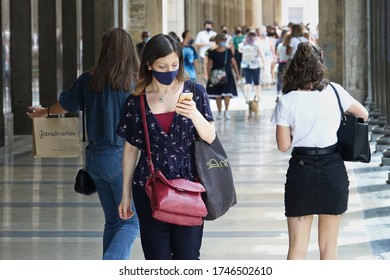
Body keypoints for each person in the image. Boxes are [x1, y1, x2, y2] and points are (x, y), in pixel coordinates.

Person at [26, 28, 140, 260]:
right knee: (131, 222)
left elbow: (65, 105)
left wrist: (45, 112)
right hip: (120, 158)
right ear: (129, 51)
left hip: (94, 160)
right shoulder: (134, 84)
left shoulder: (89, 80)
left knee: (112, 221)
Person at [116, 33, 215, 260]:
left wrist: (194, 114)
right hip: (149, 188)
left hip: (188, 187)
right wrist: (125, 194)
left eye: (174, 64)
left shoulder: (194, 91)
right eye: (162, 66)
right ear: (149, 65)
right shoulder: (136, 100)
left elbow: (210, 136)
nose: (169, 71)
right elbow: (131, 149)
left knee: (187, 258)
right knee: (157, 259)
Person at [271, 42, 369, 260]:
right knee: (329, 247)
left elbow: (283, 145)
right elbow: (363, 114)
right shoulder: (335, 92)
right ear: (319, 67)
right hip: (333, 169)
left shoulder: (286, 101)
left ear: (294, 67)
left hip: (301, 171)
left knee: (297, 248)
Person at [206, 32, 240, 120]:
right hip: (216, 76)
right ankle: (219, 111)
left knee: (227, 94)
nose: (223, 41)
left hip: (228, 75)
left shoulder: (228, 51)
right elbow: (208, 65)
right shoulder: (212, 52)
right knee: (218, 95)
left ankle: (227, 111)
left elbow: (234, 63)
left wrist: (237, 73)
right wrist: (209, 75)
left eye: (224, 40)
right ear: (217, 41)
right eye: (222, 40)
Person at [239, 31, 266, 103]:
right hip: (256, 65)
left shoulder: (242, 44)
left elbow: (240, 52)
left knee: (248, 82)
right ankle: (258, 96)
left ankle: (247, 98)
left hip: (245, 65)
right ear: (254, 36)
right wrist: (264, 64)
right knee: (257, 82)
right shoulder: (257, 44)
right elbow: (262, 55)